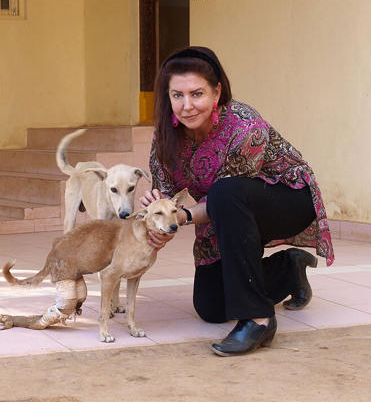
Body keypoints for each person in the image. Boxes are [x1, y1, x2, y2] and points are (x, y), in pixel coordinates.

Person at [141, 46, 334, 356]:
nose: (187, 106)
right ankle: (289, 269)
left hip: (287, 199)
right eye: (177, 95)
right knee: (212, 306)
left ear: (216, 92)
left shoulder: (244, 127)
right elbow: (165, 193)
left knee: (225, 192)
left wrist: (182, 216)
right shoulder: (165, 135)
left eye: (197, 94)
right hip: (227, 209)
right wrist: (159, 217)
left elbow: (223, 198)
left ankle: (258, 319)